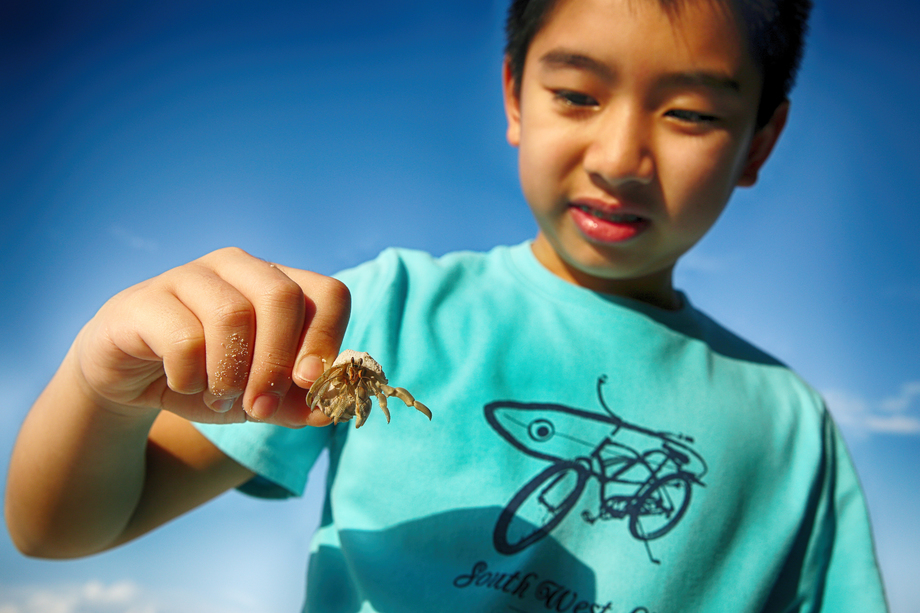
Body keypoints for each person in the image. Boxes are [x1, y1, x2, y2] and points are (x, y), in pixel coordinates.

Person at [5, 0, 889, 610]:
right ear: (513, 95)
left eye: (691, 113)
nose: (621, 155)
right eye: (576, 94)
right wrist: (101, 381)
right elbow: (61, 527)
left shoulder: (791, 427)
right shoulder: (382, 310)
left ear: (759, 141)